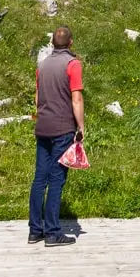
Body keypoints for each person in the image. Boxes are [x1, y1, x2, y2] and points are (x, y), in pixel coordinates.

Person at [28, 25, 84, 246]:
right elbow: (76, 98)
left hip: (42, 127)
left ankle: (35, 230)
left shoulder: (42, 66)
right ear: (71, 42)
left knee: (40, 178)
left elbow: (37, 97)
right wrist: (80, 126)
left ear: (52, 43)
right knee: (57, 179)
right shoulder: (73, 64)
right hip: (62, 128)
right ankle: (52, 232)